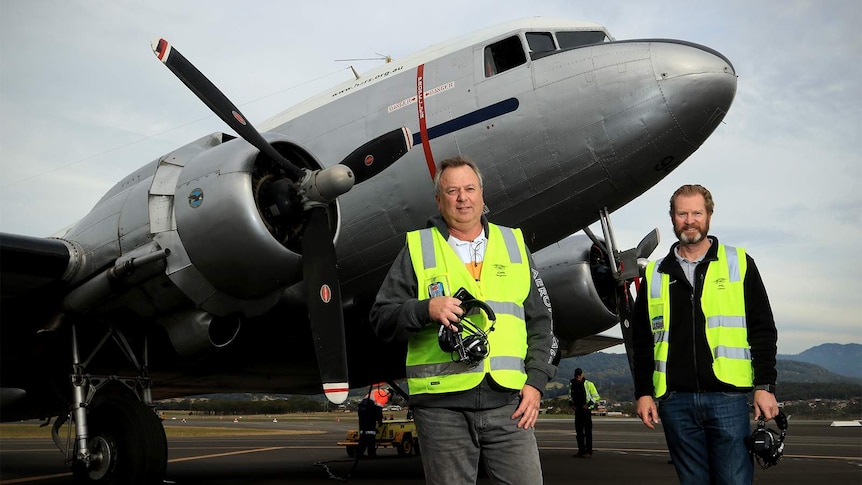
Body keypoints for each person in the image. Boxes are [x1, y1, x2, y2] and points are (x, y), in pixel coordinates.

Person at [370, 156, 558, 485]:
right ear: (439, 199)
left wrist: (536, 384)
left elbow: (541, 322)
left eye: (470, 189)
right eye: (452, 190)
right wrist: (424, 309)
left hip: (509, 405)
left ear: (482, 195)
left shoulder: (514, 243)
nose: (462, 198)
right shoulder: (417, 248)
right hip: (442, 409)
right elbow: (381, 318)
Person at [630, 184, 779, 485]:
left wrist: (764, 385)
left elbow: (763, 329)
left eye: (697, 212)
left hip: (728, 397)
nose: (689, 220)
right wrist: (643, 392)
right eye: (682, 213)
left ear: (709, 215)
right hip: (675, 401)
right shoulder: (653, 274)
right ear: (672, 218)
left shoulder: (739, 262)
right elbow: (642, 342)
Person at [569, 368, 600, 458]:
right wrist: (571, 404)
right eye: (576, 375)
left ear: (582, 375)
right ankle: (581, 450)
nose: (578, 376)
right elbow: (570, 396)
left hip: (586, 410)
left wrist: (588, 404)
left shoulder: (589, 384)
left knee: (587, 432)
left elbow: (596, 396)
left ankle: (588, 451)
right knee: (579, 432)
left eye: (579, 374)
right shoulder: (572, 384)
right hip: (578, 410)